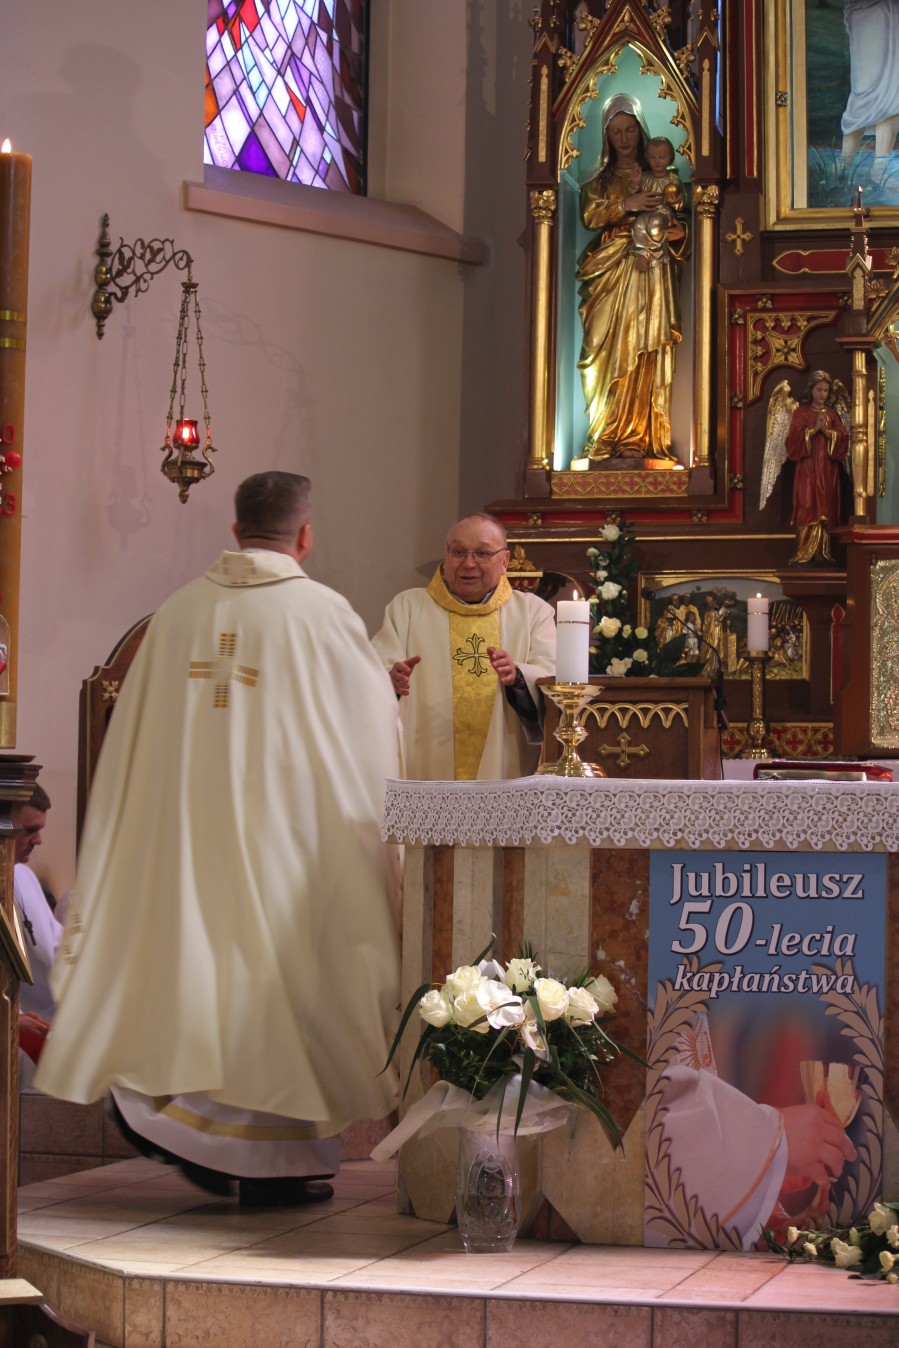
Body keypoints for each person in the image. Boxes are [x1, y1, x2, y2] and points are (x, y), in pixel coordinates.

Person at [36, 472, 402, 1207]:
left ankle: (202, 1133)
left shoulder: (177, 613)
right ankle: (268, 1163)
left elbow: (133, 742)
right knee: (285, 991)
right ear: (305, 535)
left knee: (198, 975)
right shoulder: (323, 613)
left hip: (186, 839)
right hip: (290, 844)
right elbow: (367, 738)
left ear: (236, 530)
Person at [372, 514, 556, 781]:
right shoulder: (406, 608)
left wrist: (518, 678)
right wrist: (390, 682)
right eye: (459, 553)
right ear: (446, 556)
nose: (469, 564)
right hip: (425, 774)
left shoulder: (533, 612)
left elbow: (554, 684)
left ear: (505, 561)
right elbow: (372, 675)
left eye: (482, 553)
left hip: (505, 779)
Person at [575, 94, 688, 463]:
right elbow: (589, 215)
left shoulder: (662, 177)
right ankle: (604, 431)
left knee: (644, 344)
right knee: (602, 346)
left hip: (651, 268)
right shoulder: (598, 181)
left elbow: (680, 217)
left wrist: (678, 233)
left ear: (641, 131)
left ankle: (638, 436)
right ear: (606, 136)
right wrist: (627, 204)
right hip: (611, 269)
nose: (624, 139)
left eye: (630, 130)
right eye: (616, 132)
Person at [12, 784, 60, 1082]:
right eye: (30, 830)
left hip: (39, 1020)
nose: (38, 840)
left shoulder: (24, 876)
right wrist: (12, 1018)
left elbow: (55, 943)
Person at [785, 370, 850, 566]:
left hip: (827, 469)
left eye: (825, 390)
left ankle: (824, 553)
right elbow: (792, 440)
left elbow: (844, 437)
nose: (822, 394)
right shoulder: (801, 412)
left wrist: (828, 433)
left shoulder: (832, 414)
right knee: (807, 504)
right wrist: (813, 431)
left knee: (826, 506)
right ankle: (804, 552)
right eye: (819, 389)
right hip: (807, 467)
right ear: (811, 390)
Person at [840, 0, 899, 164]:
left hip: (891, 13)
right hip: (869, 14)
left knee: (892, 94)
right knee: (865, 93)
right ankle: (845, 161)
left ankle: (880, 164)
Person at [629, 136, 685, 273]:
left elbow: (681, 203)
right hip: (646, 211)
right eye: (653, 157)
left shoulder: (673, 178)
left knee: (656, 224)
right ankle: (642, 251)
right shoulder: (645, 177)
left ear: (670, 158)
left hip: (664, 212)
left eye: (662, 157)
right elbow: (635, 196)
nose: (657, 161)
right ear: (647, 158)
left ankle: (652, 254)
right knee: (638, 224)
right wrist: (635, 184)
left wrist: (674, 200)